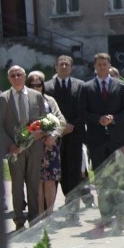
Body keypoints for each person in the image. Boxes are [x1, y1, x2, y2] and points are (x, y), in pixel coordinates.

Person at [78, 53, 124, 220]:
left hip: (117, 139)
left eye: (105, 64)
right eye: (99, 64)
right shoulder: (87, 88)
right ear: (95, 66)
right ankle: (106, 212)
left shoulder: (120, 86)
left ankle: (122, 212)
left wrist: (113, 118)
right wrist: (98, 120)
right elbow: (82, 112)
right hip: (97, 141)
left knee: (120, 176)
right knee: (102, 177)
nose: (102, 67)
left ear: (110, 66)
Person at [1, 65, 46, 229]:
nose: (16, 77)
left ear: (24, 76)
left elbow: (44, 119)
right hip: (15, 149)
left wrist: (42, 131)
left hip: (34, 147)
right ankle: (19, 221)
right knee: (17, 185)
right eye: (12, 75)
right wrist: (10, 145)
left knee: (34, 185)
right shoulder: (3, 99)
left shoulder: (36, 96)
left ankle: (35, 220)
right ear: (9, 79)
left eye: (19, 74)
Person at [43, 55, 86, 202]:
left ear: (71, 68)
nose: (63, 67)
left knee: (74, 171)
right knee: (55, 171)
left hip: (75, 133)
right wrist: (60, 128)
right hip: (55, 136)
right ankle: (50, 207)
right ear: (55, 67)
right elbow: (46, 111)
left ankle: (73, 205)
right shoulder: (47, 87)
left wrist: (72, 125)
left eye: (66, 64)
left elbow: (83, 109)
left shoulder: (80, 86)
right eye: (60, 64)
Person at [26, 71, 66, 214]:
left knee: (50, 181)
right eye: (32, 85)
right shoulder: (25, 101)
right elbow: (22, 124)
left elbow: (61, 121)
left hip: (50, 145)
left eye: (39, 84)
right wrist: (33, 134)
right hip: (33, 146)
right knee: (37, 181)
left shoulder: (50, 100)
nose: (36, 87)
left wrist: (53, 135)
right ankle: (40, 215)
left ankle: (50, 214)